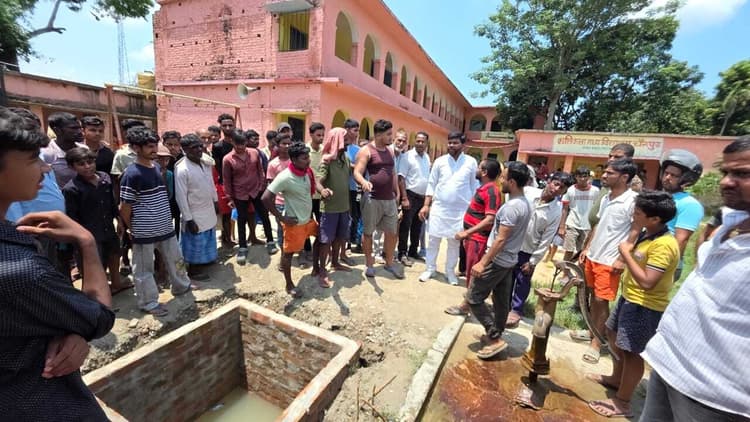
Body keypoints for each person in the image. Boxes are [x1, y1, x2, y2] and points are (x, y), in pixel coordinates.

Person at [0, 106, 115, 420]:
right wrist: (85, 241)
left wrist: (70, 332)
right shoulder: (21, 271)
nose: (45, 168)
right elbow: (99, 317)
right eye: (32, 159)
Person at [638, 137, 750, 421]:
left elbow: (679, 242)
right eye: (726, 172)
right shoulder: (730, 223)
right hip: (670, 364)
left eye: (742, 174)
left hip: (715, 394)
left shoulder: (689, 206)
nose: (726, 182)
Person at [586, 190, 678, 419]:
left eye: (637, 213)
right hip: (629, 298)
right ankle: (617, 379)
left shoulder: (664, 245)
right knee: (613, 335)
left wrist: (625, 254)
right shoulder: (649, 234)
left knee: (632, 352)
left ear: (655, 218)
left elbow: (648, 282)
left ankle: (623, 402)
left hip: (644, 306)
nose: (633, 216)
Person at [119, 126, 194, 316]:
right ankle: (149, 302)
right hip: (144, 230)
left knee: (176, 259)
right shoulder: (132, 174)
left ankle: (182, 286)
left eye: (155, 145)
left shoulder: (156, 168)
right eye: (149, 147)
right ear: (136, 148)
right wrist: (130, 228)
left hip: (165, 227)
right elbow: (125, 207)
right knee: (144, 269)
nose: (154, 150)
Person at [465, 161, 532, 359]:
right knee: (501, 301)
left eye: (503, 177)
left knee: (473, 297)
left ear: (512, 182)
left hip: (498, 260)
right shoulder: (524, 204)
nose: (500, 181)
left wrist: (483, 262)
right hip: (509, 260)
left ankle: (494, 338)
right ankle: (496, 333)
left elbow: (501, 239)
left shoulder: (511, 208)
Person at [576, 158, 638, 364]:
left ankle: (597, 343)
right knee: (594, 297)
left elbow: (635, 231)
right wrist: (586, 248)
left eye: (609, 173)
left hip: (610, 260)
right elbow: (598, 225)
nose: (603, 175)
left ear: (624, 177)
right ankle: (593, 331)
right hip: (594, 255)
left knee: (602, 300)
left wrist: (622, 259)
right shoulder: (606, 198)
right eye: (605, 172)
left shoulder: (632, 201)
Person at [507, 171, 572, 327]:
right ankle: (503, 304)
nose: (557, 189)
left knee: (523, 280)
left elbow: (546, 239)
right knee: (506, 277)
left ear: (564, 192)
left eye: (562, 188)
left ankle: (516, 310)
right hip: (511, 244)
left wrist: (533, 261)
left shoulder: (555, 211)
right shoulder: (528, 192)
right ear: (549, 181)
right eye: (556, 184)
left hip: (528, 250)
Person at [62, 147, 131, 294]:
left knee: (114, 254)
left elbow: (112, 202)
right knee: (94, 263)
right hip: (89, 232)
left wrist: (119, 219)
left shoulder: (104, 178)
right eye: (81, 164)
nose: (87, 166)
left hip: (108, 227)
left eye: (90, 162)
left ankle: (116, 283)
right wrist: (79, 237)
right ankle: (99, 291)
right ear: (72, 167)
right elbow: (72, 217)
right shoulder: (71, 189)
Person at [418, 132, 479, 285]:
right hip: (439, 208)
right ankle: (430, 269)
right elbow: (432, 184)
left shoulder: (471, 162)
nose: (451, 145)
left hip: (460, 211)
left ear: (463, 144)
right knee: (433, 239)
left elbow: (474, 186)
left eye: (455, 143)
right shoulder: (440, 161)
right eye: (450, 142)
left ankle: (450, 272)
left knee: (454, 242)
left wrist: (473, 209)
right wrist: (426, 205)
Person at [444, 159, 502, 316]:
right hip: (473, 238)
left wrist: (467, 233)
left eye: (479, 167)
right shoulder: (484, 189)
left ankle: (466, 306)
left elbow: (489, 219)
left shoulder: (491, 191)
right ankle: (471, 301)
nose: (476, 169)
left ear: (484, 172)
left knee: (474, 274)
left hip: (477, 239)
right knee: (471, 272)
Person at [262, 142, 321, 297]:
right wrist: (281, 217)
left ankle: (316, 267)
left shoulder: (307, 172)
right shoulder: (285, 177)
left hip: (308, 219)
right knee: (288, 254)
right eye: (304, 158)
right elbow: (265, 198)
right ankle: (289, 285)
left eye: (308, 157)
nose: (308, 160)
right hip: (294, 224)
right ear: (293, 160)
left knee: (321, 238)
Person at [353, 119, 404, 279]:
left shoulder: (390, 151)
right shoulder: (366, 151)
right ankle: (369, 264)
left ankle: (389, 263)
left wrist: (397, 193)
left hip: (389, 200)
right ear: (379, 134)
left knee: (392, 233)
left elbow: (393, 173)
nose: (391, 137)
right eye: (388, 134)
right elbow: (357, 172)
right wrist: (364, 182)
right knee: (368, 232)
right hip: (372, 199)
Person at [222, 129, 275, 265]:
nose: (241, 147)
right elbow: (227, 180)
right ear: (232, 142)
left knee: (264, 216)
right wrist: (230, 198)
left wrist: (262, 186)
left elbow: (260, 171)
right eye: (237, 144)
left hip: (256, 190)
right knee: (241, 220)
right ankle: (243, 247)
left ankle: (270, 241)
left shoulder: (254, 153)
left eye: (243, 144)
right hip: (240, 193)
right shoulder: (228, 159)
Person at [175, 134, 218, 280]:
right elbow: (180, 196)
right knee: (195, 240)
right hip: (194, 211)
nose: (200, 149)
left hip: (207, 207)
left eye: (200, 146)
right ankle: (194, 270)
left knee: (208, 236)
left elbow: (210, 182)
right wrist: (189, 219)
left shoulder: (205, 162)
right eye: (195, 147)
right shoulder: (182, 169)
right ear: (185, 150)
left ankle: (207, 260)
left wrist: (215, 201)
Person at [316, 128, 354, 286]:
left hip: (344, 207)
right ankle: (322, 270)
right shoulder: (327, 160)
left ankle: (335, 262)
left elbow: (353, 170)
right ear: (337, 141)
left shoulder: (345, 158)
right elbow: (318, 181)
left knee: (340, 237)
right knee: (326, 240)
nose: (348, 141)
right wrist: (322, 190)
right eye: (345, 139)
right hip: (330, 208)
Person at [659, 149, 704, 280]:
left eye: (674, 175)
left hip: (665, 262)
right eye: (666, 173)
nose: (668, 177)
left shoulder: (690, 204)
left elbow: (681, 240)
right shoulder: (660, 197)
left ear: (686, 179)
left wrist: (662, 265)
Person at [111, 118, 145, 275]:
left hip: (145, 200)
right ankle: (125, 261)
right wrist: (119, 203)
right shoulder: (122, 155)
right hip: (128, 200)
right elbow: (116, 180)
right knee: (126, 232)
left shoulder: (148, 151)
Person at [397, 131, 431, 267]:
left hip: (422, 197)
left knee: (418, 226)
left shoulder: (427, 157)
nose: (420, 143)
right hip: (410, 195)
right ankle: (402, 253)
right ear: (414, 142)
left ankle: (413, 251)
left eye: (423, 141)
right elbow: (401, 178)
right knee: (405, 225)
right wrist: (404, 198)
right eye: (418, 141)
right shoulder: (407, 156)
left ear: (427, 143)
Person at [559, 166, 599, 261]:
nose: (582, 179)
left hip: (588, 226)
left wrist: (595, 226)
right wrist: (561, 226)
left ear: (589, 177)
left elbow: (597, 209)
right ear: (575, 177)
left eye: (585, 176)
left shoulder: (595, 191)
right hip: (572, 223)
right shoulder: (570, 190)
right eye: (579, 176)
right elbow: (565, 209)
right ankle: (565, 269)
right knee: (569, 250)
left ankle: (574, 268)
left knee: (581, 252)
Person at [212, 113, 237, 248]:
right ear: (220, 127)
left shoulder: (239, 143)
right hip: (224, 183)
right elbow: (217, 166)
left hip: (239, 183)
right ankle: (226, 239)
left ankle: (240, 237)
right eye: (224, 125)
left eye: (230, 125)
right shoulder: (217, 146)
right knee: (226, 213)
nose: (227, 128)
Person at [43, 112, 86, 189]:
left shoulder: (84, 149)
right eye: (74, 128)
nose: (80, 132)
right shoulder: (46, 153)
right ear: (57, 130)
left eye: (80, 128)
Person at [344, 119, 362, 253]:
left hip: (353, 188)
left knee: (353, 216)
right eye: (355, 130)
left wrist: (352, 166)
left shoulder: (358, 150)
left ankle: (349, 243)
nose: (357, 133)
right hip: (340, 188)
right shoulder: (339, 147)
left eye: (358, 131)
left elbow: (360, 167)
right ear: (347, 130)